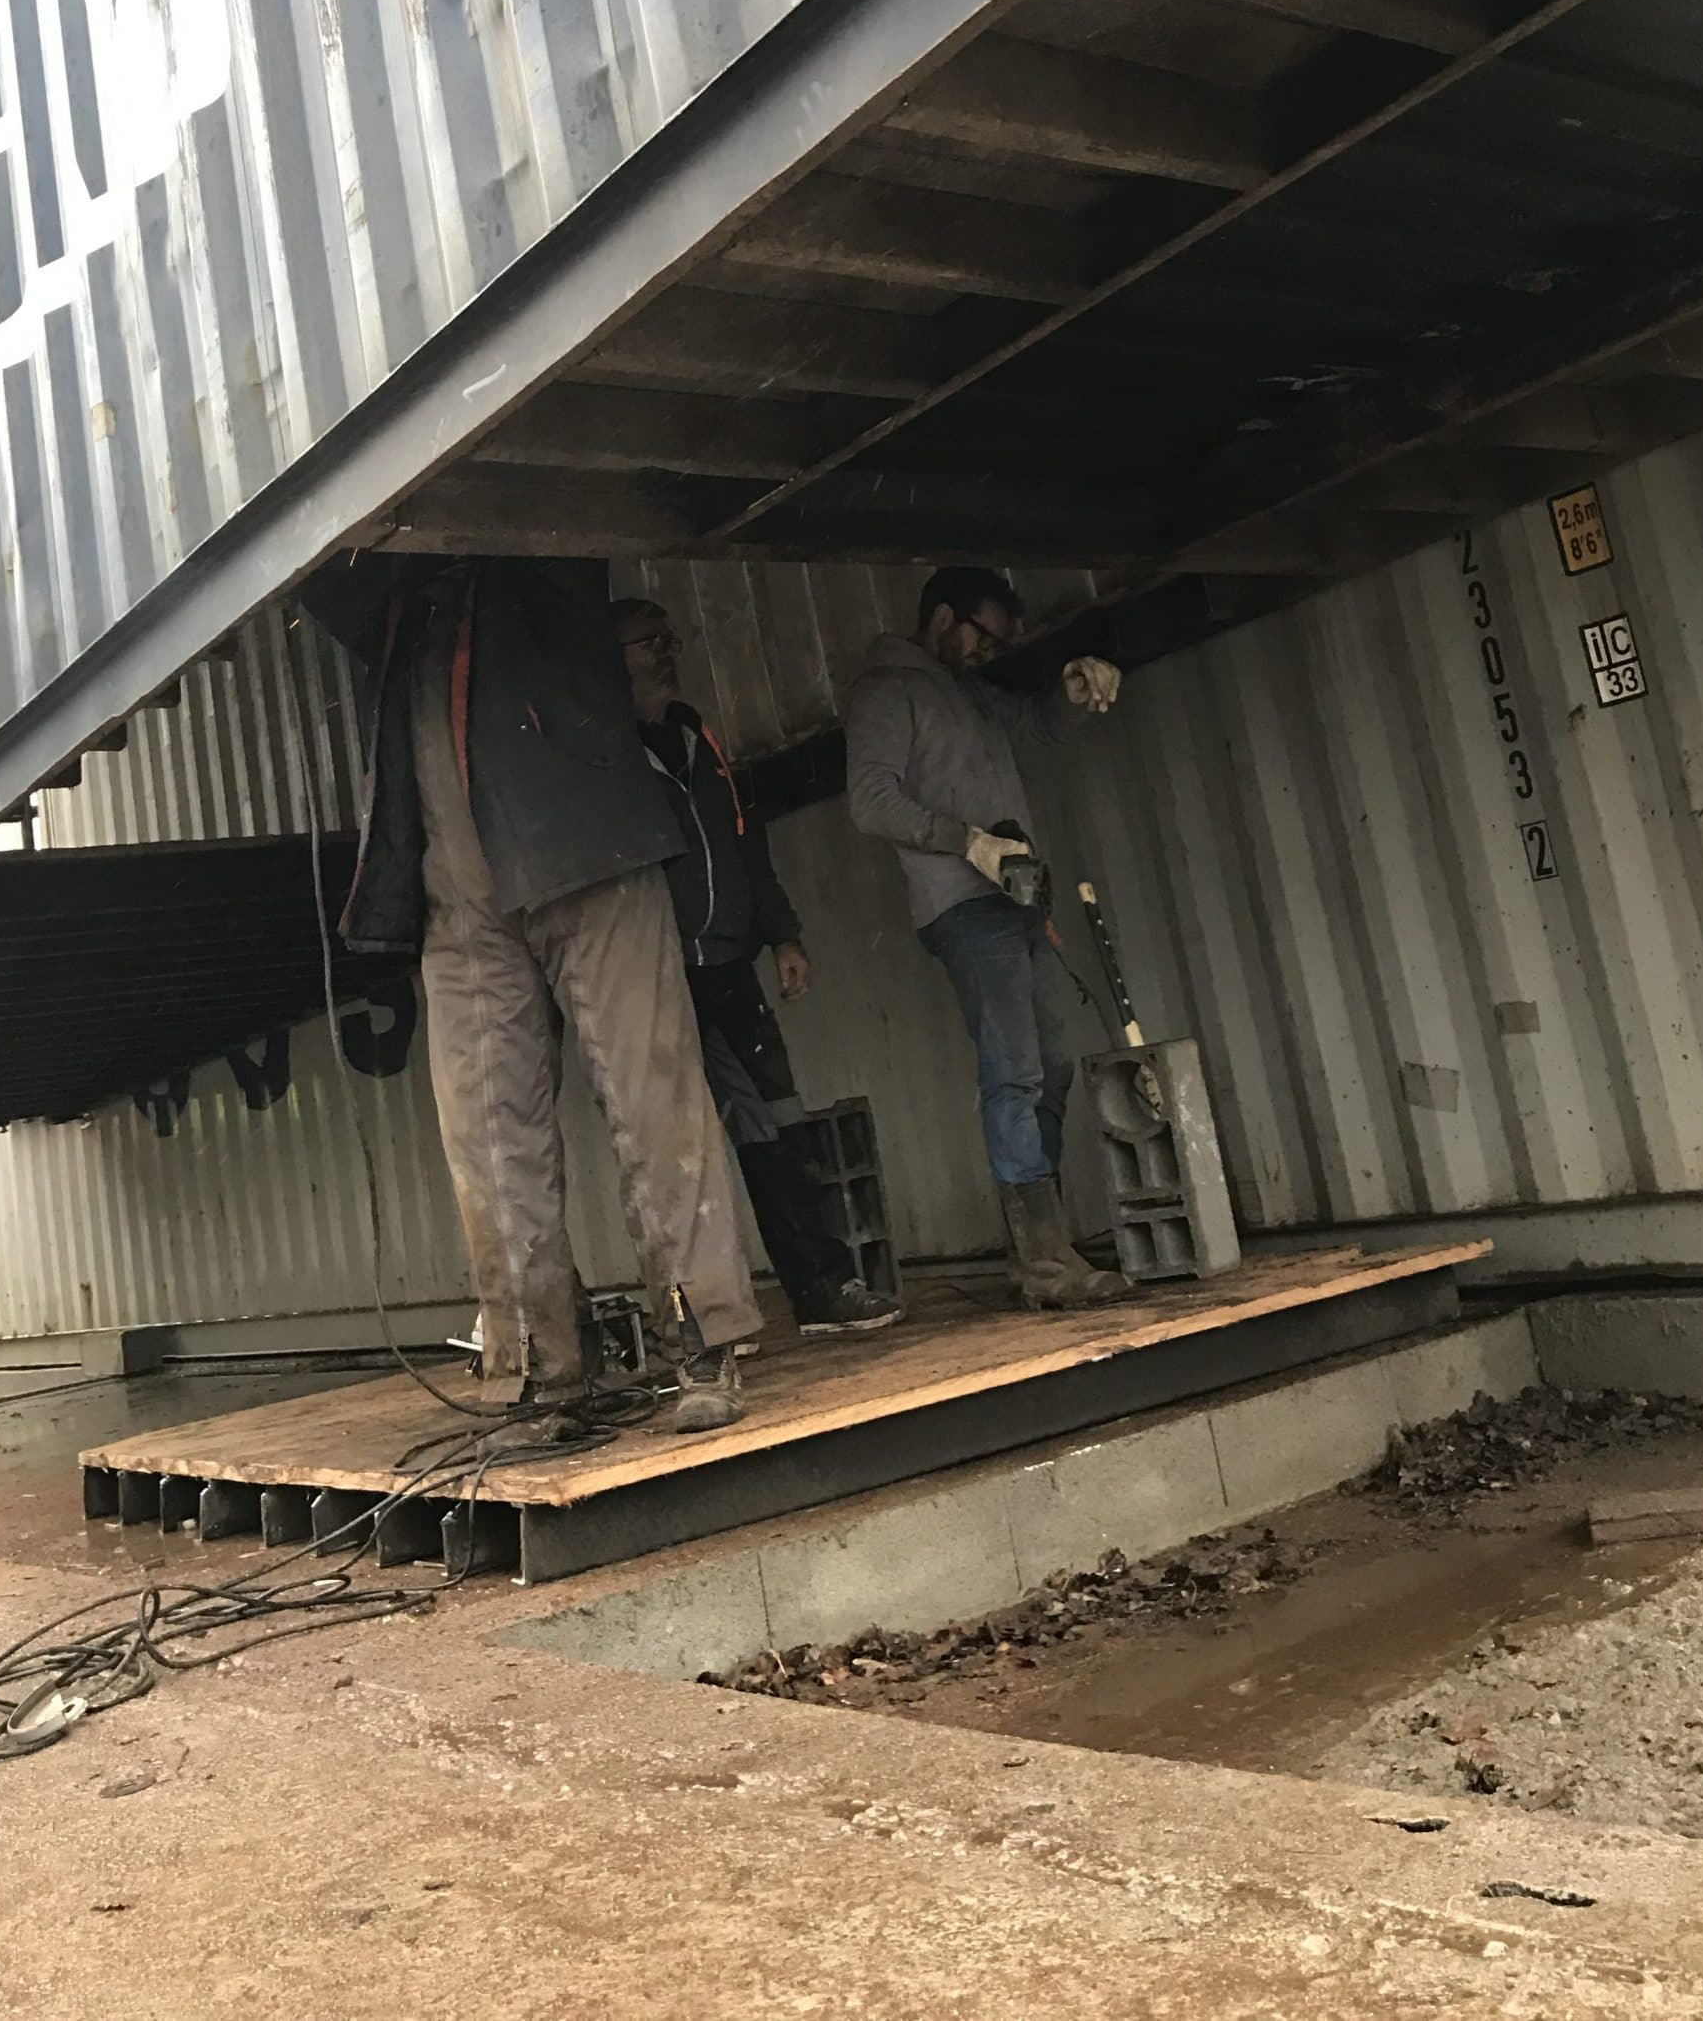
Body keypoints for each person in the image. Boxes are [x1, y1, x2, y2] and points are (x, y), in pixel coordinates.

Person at [298, 553, 760, 1434]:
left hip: (588, 844)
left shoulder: (534, 551)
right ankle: (543, 1366)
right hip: (458, 890)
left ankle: (703, 1337)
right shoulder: (395, 604)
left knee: (652, 1095)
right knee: (489, 1134)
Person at [614, 598, 902, 1340]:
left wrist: (783, 935)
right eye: (649, 643)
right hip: (661, 977)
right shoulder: (609, 754)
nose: (666, 653)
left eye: (668, 639)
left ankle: (824, 1291)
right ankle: (702, 1324)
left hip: (730, 966)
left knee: (779, 1122)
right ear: (612, 660)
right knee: (676, 1148)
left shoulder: (697, 737)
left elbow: (748, 846)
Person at [845, 568, 1129, 1310]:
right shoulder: (887, 689)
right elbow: (869, 800)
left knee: (1053, 1064)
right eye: (982, 636)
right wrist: (965, 841)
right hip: (963, 906)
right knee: (1015, 1072)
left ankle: (1036, 1246)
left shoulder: (963, 688)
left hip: (1017, 898)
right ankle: (1046, 1264)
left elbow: (1034, 724)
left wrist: (1072, 697)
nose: (986, 652)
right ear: (943, 616)